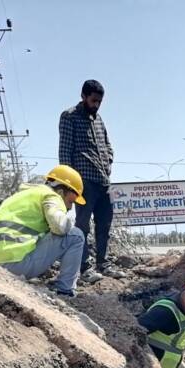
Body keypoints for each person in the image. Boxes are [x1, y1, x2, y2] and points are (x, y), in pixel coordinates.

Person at [0, 164, 86, 297]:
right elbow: (60, 226)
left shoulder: (19, 196)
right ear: (61, 191)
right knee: (76, 235)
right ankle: (65, 290)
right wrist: (69, 221)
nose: (70, 207)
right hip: (13, 264)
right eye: (71, 200)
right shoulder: (51, 196)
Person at [59, 79, 117, 284]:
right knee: (82, 225)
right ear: (83, 96)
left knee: (105, 223)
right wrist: (68, 183)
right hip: (83, 182)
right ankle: (85, 267)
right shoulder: (69, 117)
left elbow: (108, 146)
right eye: (93, 100)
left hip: (103, 181)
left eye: (100, 101)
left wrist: (108, 161)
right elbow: (65, 151)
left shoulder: (98, 119)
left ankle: (104, 263)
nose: (97, 105)